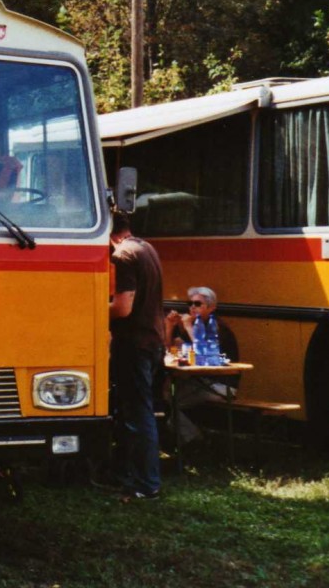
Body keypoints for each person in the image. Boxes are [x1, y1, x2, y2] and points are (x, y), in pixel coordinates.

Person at [105, 210, 165, 502]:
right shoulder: (147, 248)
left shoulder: (123, 256)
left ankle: (145, 484)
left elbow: (123, 307)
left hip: (133, 342)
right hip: (154, 340)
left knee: (137, 414)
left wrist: (90, 309)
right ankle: (132, 476)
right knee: (142, 411)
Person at [164, 286, 240, 444]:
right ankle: (189, 437)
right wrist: (170, 327)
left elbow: (206, 353)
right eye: (190, 303)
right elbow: (170, 349)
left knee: (169, 401)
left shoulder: (217, 327)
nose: (192, 307)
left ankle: (194, 440)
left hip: (221, 385)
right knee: (165, 395)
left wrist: (188, 327)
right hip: (202, 382)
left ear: (212, 307)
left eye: (198, 304)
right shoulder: (194, 325)